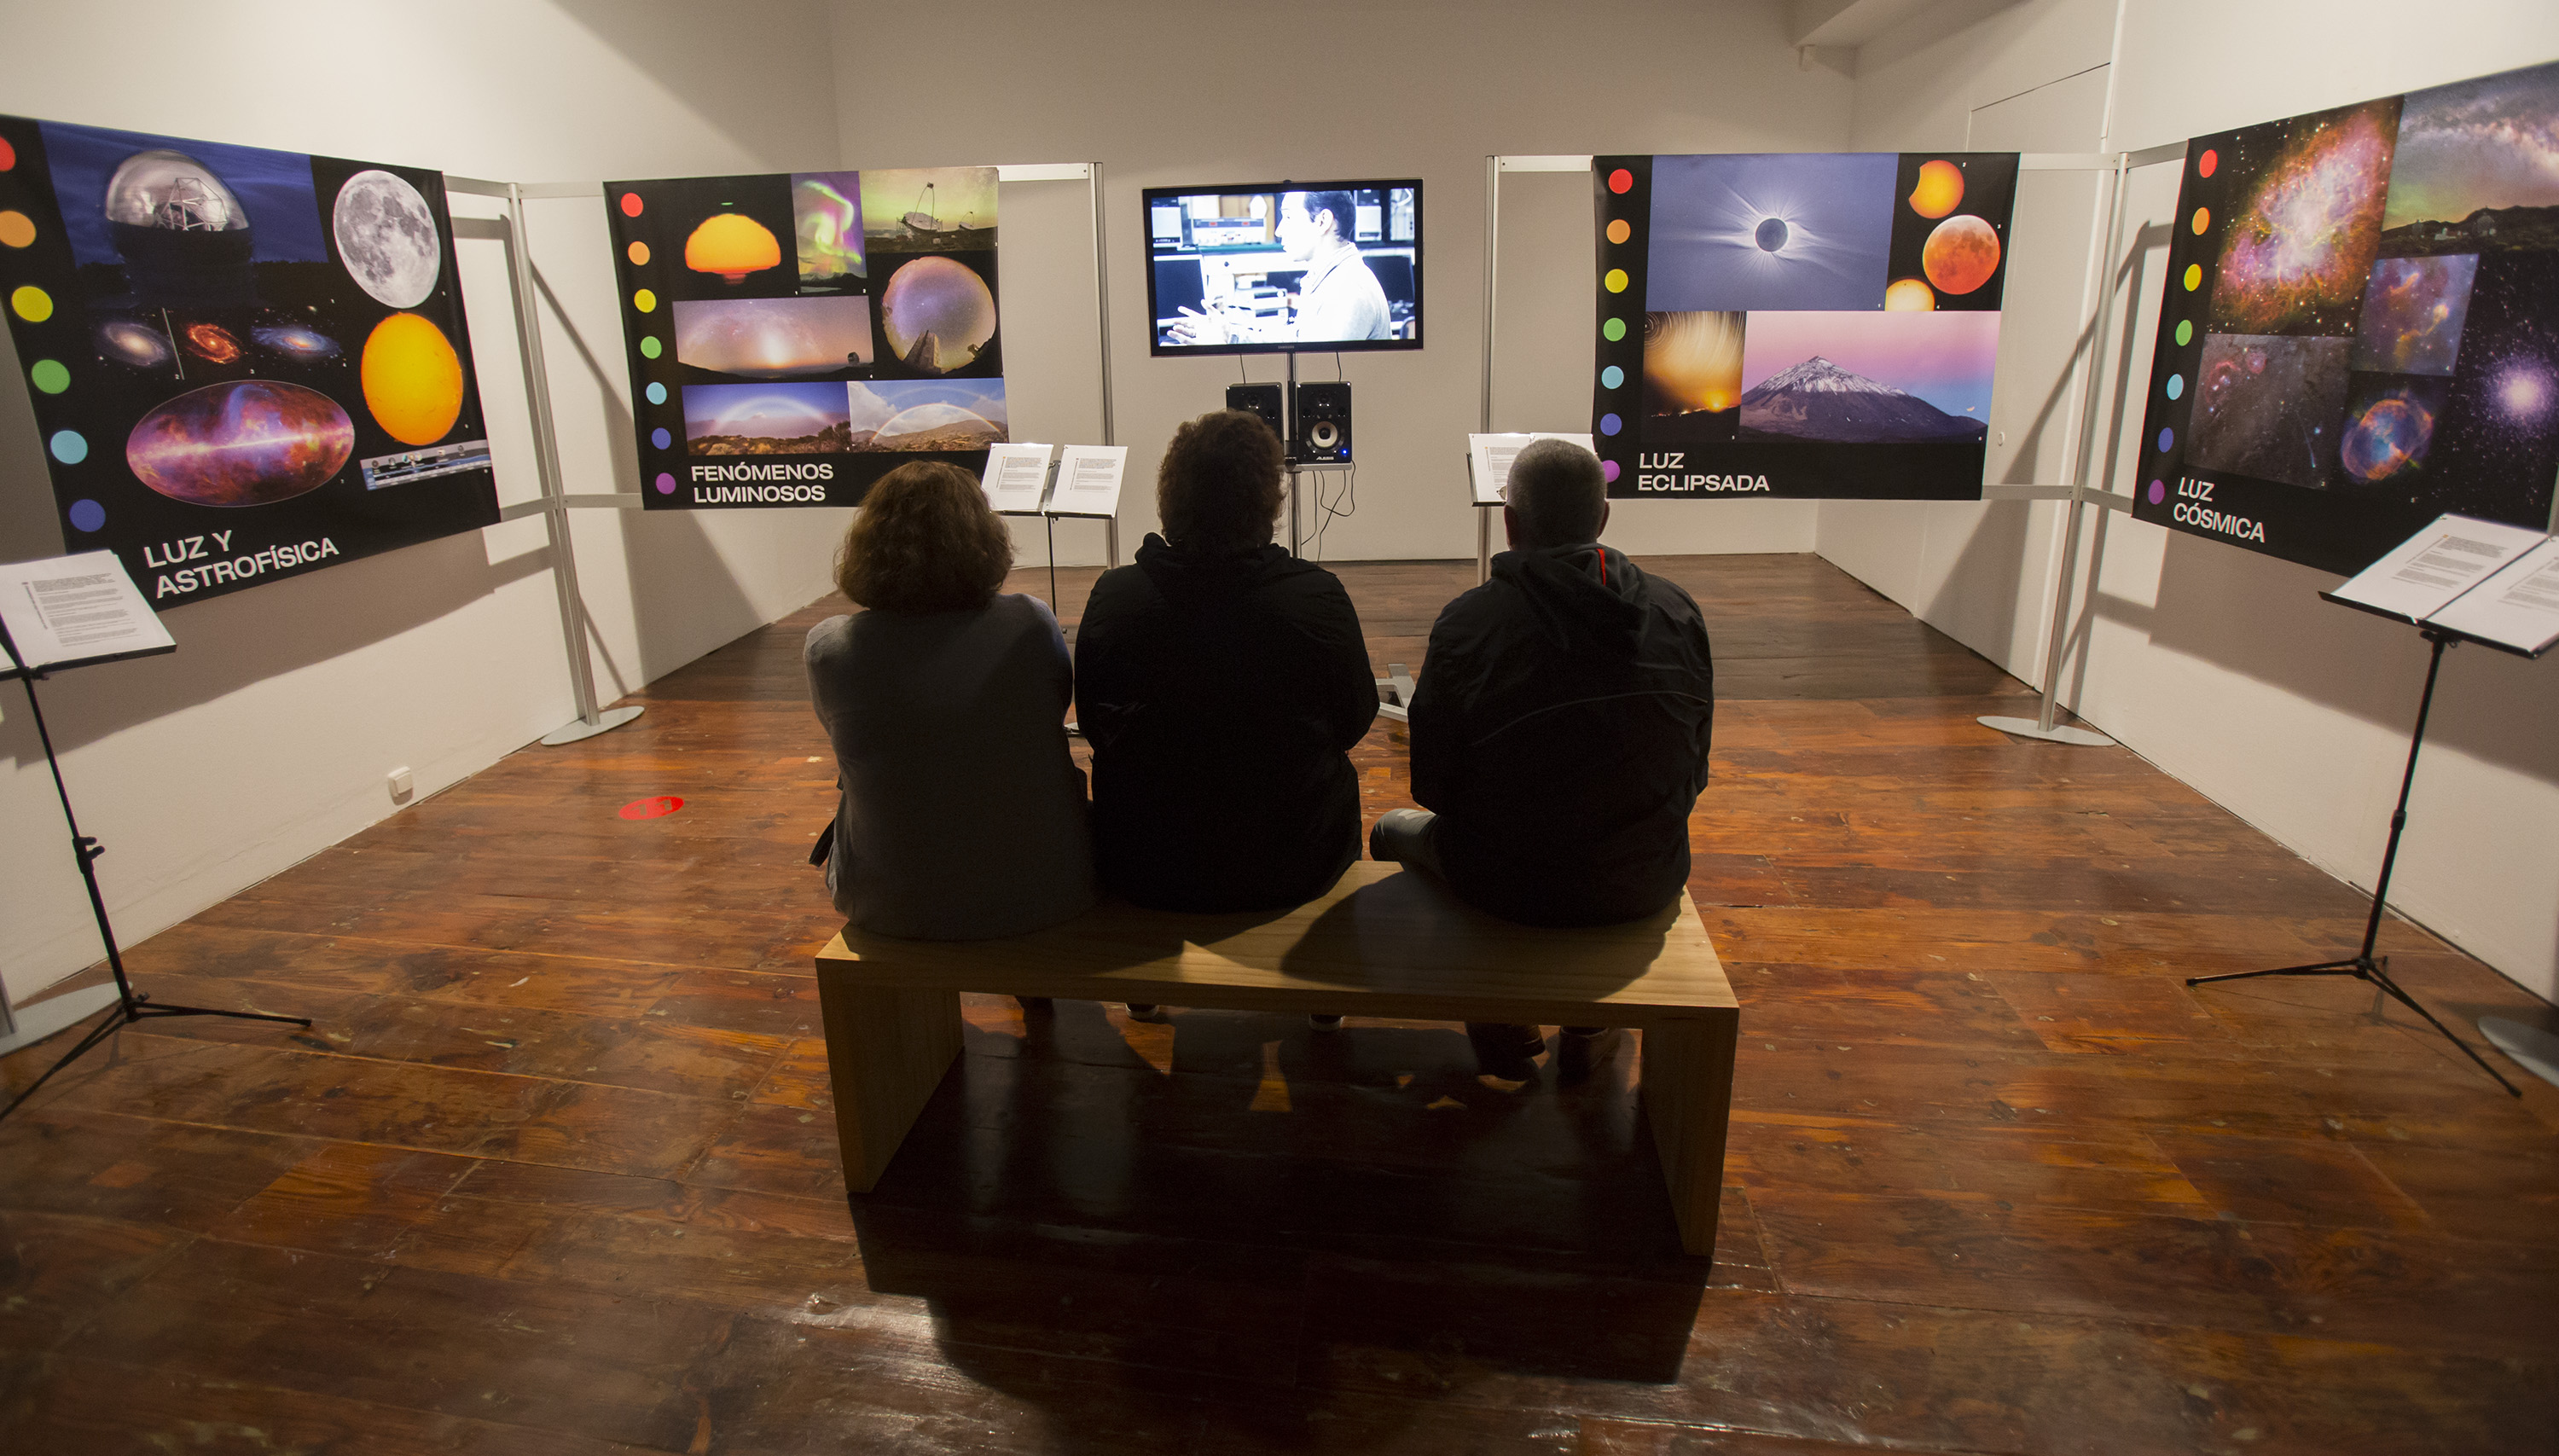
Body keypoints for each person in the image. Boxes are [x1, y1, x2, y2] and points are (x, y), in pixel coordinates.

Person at [1374, 438, 1715, 1078]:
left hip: (1506, 882)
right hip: (1645, 875)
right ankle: (1591, 1025)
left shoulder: (1468, 623)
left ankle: (1496, 1010)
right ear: (1603, 517)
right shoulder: (1677, 610)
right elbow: (1693, 770)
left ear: (1510, 522)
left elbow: (1433, 788)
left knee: (1389, 831)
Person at [1075, 409, 1378, 1018]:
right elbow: (1355, 718)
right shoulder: (1316, 597)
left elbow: (1093, 723)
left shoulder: (1116, 596)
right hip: (1294, 862)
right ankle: (1321, 993)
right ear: (1268, 501)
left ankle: (1145, 984)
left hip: (1148, 864)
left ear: (1170, 498)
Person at [804, 461, 1096, 953]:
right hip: (1047, 888)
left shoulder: (831, 647)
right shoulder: (1030, 623)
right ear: (983, 538)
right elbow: (1052, 708)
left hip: (890, 903)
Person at [1169, 189, 1393, 345]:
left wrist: (1223, 350)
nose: (1278, 230)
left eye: (1288, 217)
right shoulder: (1329, 278)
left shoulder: (1348, 289)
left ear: (1322, 221)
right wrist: (1230, 334)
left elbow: (1317, 373)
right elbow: (1297, 340)